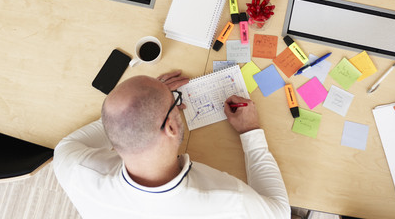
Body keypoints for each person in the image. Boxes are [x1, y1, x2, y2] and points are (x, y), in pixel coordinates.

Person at [53, 70, 290, 218]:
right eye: (174, 101)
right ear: (171, 128)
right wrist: (250, 131)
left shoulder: (72, 167)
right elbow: (280, 212)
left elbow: (112, 124)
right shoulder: (230, 200)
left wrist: (150, 100)